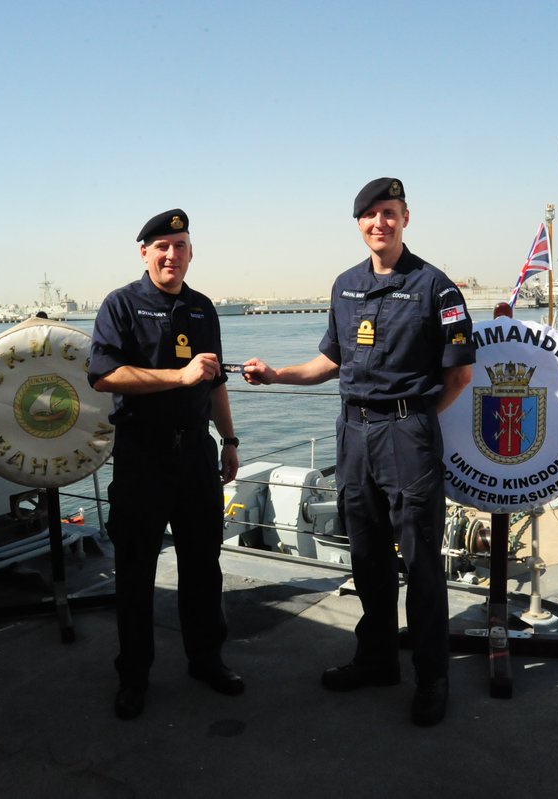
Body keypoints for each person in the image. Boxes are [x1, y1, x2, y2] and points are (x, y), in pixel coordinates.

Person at [242, 178, 475, 726]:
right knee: (367, 557)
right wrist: (276, 374)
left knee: (420, 564)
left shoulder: (436, 288)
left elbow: (460, 375)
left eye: (389, 214)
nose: (380, 224)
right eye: (370, 216)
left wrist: (412, 422)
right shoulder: (344, 285)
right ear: (359, 224)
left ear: (406, 218)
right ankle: (375, 660)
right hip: (352, 435)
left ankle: (431, 677)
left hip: (406, 437)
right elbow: (330, 362)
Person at [88, 208, 244, 721]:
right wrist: (177, 378)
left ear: (191, 253)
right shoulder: (122, 305)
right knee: (136, 571)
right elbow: (104, 376)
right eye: (162, 246)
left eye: (180, 245)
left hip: (195, 454)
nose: (171, 255)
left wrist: (229, 439)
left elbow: (215, 379)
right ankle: (133, 676)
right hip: (142, 456)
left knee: (204, 566)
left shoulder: (202, 309)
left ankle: (206, 660)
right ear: (144, 253)